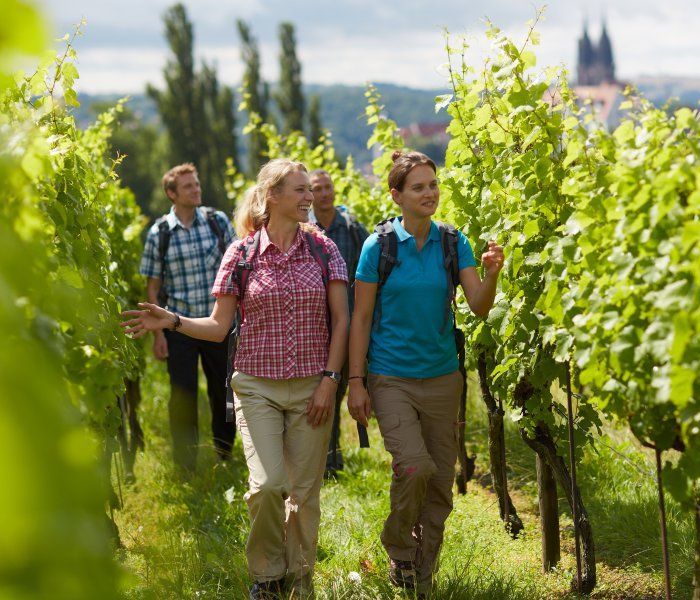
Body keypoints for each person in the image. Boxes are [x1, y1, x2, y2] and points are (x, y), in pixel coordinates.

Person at [123, 159, 349, 600]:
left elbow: (341, 320)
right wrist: (171, 320)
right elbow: (218, 326)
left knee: (303, 494)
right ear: (273, 196)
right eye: (300, 191)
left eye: (309, 190)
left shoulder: (323, 250)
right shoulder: (241, 255)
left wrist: (331, 380)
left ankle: (300, 581)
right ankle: (266, 575)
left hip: (312, 386)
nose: (309, 198)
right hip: (256, 386)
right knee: (267, 486)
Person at [347, 150, 505, 595]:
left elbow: (479, 305)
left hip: (442, 377)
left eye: (433, 185)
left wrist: (492, 274)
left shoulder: (454, 243)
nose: (429, 193)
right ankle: (400, 547)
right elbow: (360, 319)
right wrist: (355, 382)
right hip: (391, 376)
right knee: (414, 467)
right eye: (418, 187)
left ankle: (423, 571)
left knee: (440, 482)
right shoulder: (379, 247)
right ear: (396, 195)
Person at [139, 163, 237, 471]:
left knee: (223, 391)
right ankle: (186, 463)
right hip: (178, 327)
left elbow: (238, 270)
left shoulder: (217, 222)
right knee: (182, 395)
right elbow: (152, 287)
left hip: (217, 325)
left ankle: (224, 453)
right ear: (171, 193)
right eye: (188, 186)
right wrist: (158, 336)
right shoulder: (160, 233)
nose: (196, 189)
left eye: (196, 184)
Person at [309, 168, 369, 477]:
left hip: (349, 327)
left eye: (328, 187)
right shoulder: (304, 231)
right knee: (324, 392)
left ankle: (332, 457)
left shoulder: (352, 228)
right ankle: (328, 461)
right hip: (318, 330)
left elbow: (370, 274)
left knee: (341, 388)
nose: (324, 193)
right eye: (317, 188)